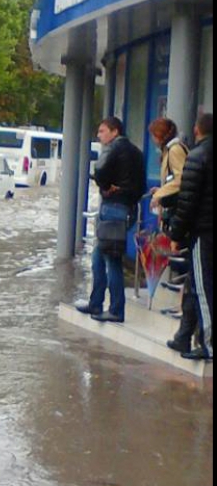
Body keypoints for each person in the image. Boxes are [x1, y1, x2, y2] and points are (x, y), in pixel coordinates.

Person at [75, 116, 146, 323]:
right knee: (98, 257)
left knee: (112, 260)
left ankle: (116, 309)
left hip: (113, 208)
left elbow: (99, 171)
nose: (99, 135)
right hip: (128, 208)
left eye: (102, 131)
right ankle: (96, 302)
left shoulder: (113, 148)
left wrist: (106, 187)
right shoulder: (137, 152)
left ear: (115, 132)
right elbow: (140, 187)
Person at [146, 118, 197, 353]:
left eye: (154, 135)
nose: (153, 140)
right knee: (189, 269)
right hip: (180, 212)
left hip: (183, 216)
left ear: (161, 135)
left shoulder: (175, 150)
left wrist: (160, 195)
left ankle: (186, 317)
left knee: (190, 266)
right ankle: (183, 312)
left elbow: (180, 179)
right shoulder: (173, 149)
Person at [167, 113, 213, 361]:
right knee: (194, 285)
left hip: (203, 233)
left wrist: (176, 233)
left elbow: (187, 201)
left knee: (202, 287)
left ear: (197, 130)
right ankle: (183, 336)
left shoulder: (197, 157)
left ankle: (207, 345)